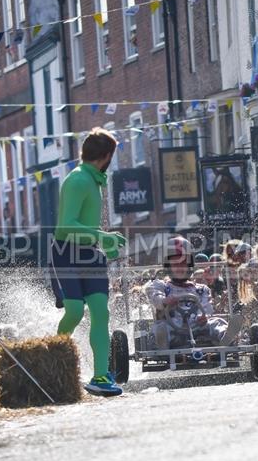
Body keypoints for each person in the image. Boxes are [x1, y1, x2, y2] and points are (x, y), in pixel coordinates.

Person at [50, 127, 127, 397]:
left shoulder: (94, 181)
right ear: (106, 156)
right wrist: (100, 235)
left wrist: (103, 241)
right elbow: (64, 227)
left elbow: (83, 226)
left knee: (101, 312)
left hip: (89, 252)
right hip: (66, 251)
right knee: (74, 312)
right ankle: (51, 364)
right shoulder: (79, 180)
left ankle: (101, 376)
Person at [144, 236, 230, 350]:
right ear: (168, 265)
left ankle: (225, 337)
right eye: (175, 263)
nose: (179, 267)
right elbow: (155, 296)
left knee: (217, 322)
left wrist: (203, 316)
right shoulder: (161, 286)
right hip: (172, 328)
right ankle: (162, 343)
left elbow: (207, 307)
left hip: (198, 328)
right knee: (160, 327)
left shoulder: (201, 289)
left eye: (183, 263)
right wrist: (164, 301)